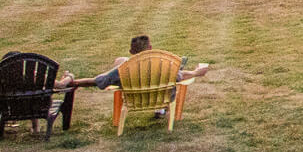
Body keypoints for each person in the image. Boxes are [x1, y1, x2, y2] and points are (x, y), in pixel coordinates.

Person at [65, 35, 211, 93]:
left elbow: (95, 82)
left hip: (134, 100)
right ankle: (161, 109)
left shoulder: (123, 70)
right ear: (150, 48)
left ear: (131, 51)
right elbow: (179, 77)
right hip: (161, 98)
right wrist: (196, 72)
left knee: (120, 62)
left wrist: (72, 81)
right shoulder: (163, 65)